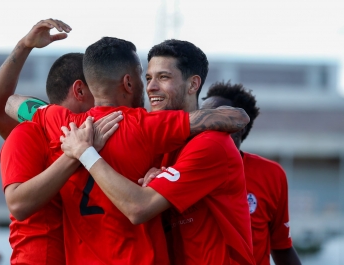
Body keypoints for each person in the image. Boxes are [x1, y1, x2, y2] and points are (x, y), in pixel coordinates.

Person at [29, 36, 250, 264]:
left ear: (193, 84)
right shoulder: (150, 140)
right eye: (148, 77)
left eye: (163, 77)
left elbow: (139, 207)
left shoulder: (211, 144)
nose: (151, 87)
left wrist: (85, 153)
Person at [0, 19, 121, 264]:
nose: (105, 102)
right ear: (79, 91)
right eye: (98, 91)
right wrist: (25, 45)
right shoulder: (32, 133)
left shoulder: (100, 132)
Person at [201, 81, 301, 265]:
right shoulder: (178, 168)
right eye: (201, 118)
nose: (203, 126)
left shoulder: (271, 174)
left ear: (240, 127)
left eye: (214, 119)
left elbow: (282, 247)